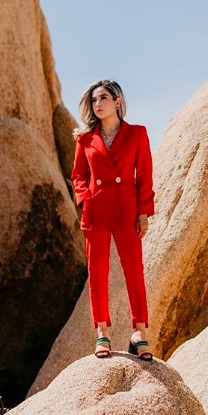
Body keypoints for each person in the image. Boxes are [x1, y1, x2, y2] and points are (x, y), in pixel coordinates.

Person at [71, 79, 155, 360]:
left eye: (103, 98)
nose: (98, 104)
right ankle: (102, 333)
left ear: (117, 101)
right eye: (94, 100)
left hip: (126, 211)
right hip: (96, 212)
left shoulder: (137, 134)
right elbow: (78, 175)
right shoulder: (85, 139)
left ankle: (140, 335)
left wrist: (143, 213)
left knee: (134, 272)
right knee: (97, 273)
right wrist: (85, 201)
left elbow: (143, 176)